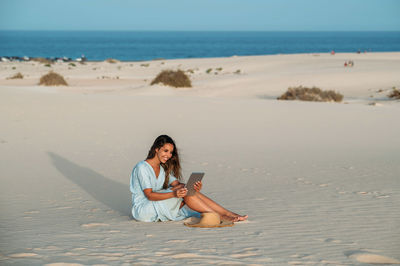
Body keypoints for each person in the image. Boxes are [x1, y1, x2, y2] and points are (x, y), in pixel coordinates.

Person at [130, 135, 248, 223]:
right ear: (156, 149)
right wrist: (175, 194)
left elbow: (178, 184)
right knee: (184, 190)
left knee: (187, 188)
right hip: (144, 210)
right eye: (165, 151)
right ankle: (218, 215)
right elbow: (150, 195)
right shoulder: (142, 167)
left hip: (156, 204)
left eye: (171, 152)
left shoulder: (162, 169)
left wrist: (194, 187)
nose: (169, 155)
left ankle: (226, 213)